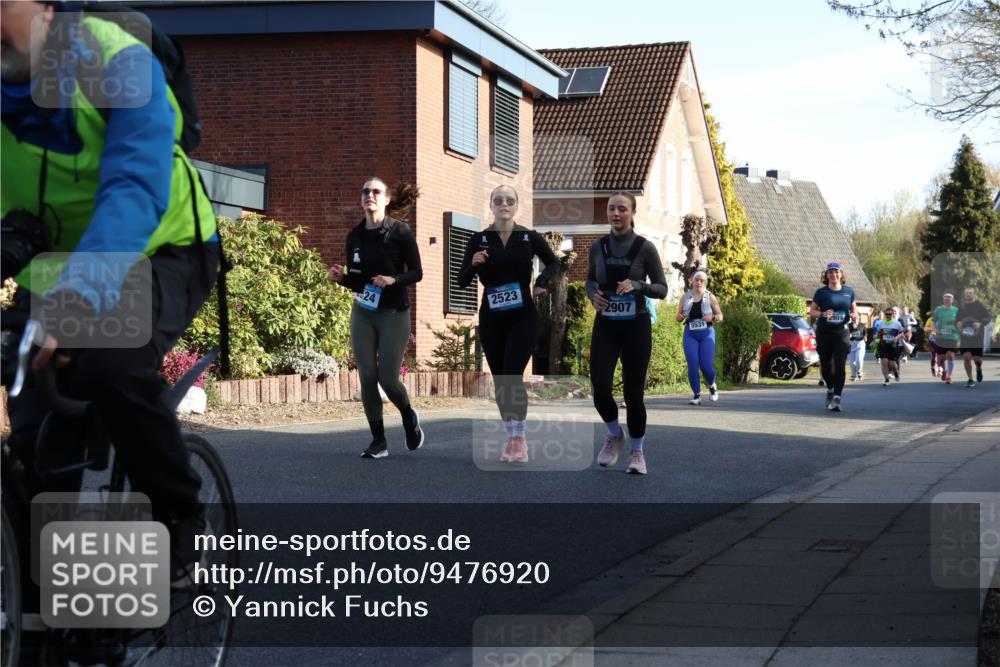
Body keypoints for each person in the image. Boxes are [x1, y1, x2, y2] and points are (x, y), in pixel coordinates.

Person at [2, 0, 220, 592]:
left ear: (47, 8)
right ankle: (45, 611)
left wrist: (80, 297)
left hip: (163, 246)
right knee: (35, 432)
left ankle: (179, 516)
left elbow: (133, 185)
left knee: (106, 355)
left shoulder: (115, 58)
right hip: (55, 264)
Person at [457, 185, 559, 463]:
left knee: (512, 375)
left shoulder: (529, 237)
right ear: (491, 205)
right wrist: (473, 264)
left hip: (523, 315)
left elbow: (554, 264)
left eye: (510, 200)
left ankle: (518, 439)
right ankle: (510, 434)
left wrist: (541, 284)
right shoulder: (478, 239)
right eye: (499, 200)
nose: (504, 204)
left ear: (517, 206)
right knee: (502, 380)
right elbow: (461, 280)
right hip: (491, 316)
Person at [329, 177, 424, 457]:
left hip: (394, 313)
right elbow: (359, 283)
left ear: (386, 198)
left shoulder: (400, 232)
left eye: (376, 191)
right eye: (365, 191)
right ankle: (378, 441)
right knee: (367, 375)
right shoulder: (354, 237)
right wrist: (342, 278)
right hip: (364, 311)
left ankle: (408, 415)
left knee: (387, 378)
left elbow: (417, 272)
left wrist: (393, 279)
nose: (369, 195)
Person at [588, 192, 667, 475]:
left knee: (634, 394)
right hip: (606, 325)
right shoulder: (597, 247)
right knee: (599, 388)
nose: (616, 213)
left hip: (636, 325)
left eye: (622, 209)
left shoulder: (645, 249)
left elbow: (662, 288)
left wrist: (638, 285)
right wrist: (592, 295)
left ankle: (637, 453)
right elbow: (590, 280)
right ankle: (613, 434)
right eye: (611, 209)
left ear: (632, 213)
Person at [809, 261, 858, 411]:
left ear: (841, 274)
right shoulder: (821, 292)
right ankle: (830, 389)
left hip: (841, 332)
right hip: (824, 332)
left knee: (839, 363)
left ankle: (837, 397)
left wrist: (854, 316)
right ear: (827, 275)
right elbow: (812, 311)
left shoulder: (849, 292)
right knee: (825, 365)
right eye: (830, 272)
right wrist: (823, 314)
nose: (834, 274)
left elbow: (855, 311)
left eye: (836, 272)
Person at [675, 270, 722, 405]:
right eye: (697, 280)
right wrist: (679, 317)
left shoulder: (710, 297)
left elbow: (720, 316)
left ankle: (712, 385)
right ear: (692, 282)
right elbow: (679, 316)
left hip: (707, 333)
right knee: (693, 364)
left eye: (702, 280)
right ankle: (697, 395)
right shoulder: (685, 297)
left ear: (705, 283)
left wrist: (712, 317)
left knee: (706, 365)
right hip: (690, 333)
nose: (699, 282)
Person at [956, 287, 990, 388]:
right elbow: (957, 319)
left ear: (974, 294)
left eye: (970, 293)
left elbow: (987, 318)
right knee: (966, 357)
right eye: (966, 293)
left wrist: (980, 323)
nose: (968, 295)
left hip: (977, 337)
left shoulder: (980, 306)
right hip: (965, 336)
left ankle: (978, 368)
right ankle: (970, 379)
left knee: (977, 360)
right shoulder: (962, 306)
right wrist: (958, 323)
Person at [871, 307, 906, 386]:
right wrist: (875, 336)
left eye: (889, 314)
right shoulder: (881, 323)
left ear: (893, 314)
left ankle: (896, 373)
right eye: (886, 314)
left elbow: (901, 332)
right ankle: (886, 379)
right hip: (883, 345)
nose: (888, 316)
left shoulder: (897, 323)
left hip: (893, 346)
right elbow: (879, 333)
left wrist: (896, 337)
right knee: (884, 362)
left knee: (892, 364)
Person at [931, 293, 960, 383]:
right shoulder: (939, 311)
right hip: (941, 337)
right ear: (943, 300)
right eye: (945, 299)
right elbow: (933, 321)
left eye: (949, 299)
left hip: (953, 336)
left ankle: (949, 377)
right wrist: (935, 330)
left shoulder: (957, 310)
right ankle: (944, 370)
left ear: (952, 300)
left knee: (950, 356)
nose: (947, 300)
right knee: (941, 359)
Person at [848, 312, 866, 381]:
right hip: (851, 344)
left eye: (855, 317)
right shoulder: (848, 326)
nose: (854, 318)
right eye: (853, 318)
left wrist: (865, 337)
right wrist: (848, 336)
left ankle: (859, 372)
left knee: (859, 359)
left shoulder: (862, 325)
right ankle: (853, 374)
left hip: (860, 343)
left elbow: (865, 334)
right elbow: (846, 335)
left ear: (858, 317)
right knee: (851, 362)